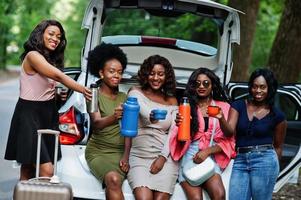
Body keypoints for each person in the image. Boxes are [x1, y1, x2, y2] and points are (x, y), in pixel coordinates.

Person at [4, 19, 91, 180]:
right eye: (51, 34)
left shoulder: (49, 60)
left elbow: (43, 89)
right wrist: (83, 90)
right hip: (29, 116)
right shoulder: (33, 56)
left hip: (47, 115)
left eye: (59, 36)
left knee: (28, 169)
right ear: (40, 35)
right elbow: (58, 76)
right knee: (47, 171)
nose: (55, 39)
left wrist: (57, 97)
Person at [169, 67, 236, 200]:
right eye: (197, 83)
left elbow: (230, 138)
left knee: (220, 195)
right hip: (190, 156)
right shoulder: (186, 107)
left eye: (206, 83)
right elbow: (181, 142)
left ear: (212, 86)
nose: (201, 86)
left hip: (211, 156)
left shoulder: (223, 107)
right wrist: (180, 125)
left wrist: (221, 118)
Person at [222, 68, 287, 200]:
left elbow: (278, 146)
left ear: (270, 88)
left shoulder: (278, 115)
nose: (258, 91)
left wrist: (274, 172)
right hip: (240, 160)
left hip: (265, 160)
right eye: (255, 86)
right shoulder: (238, 106)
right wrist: (220, 117)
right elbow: (229, 132)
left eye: (262, 87)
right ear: (250, 87)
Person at [126, 55, 179, 200]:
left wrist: (162, 157)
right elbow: (142, 110)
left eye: (160, 74)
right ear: (145, 75)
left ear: (166, 76)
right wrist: (152, 116)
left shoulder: (172, 100)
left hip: (165, 156)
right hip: (139, 156)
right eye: (152, 73)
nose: (156, 78)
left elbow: (174, 132)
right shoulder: (135, 92)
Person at [84, 43, 129, 200]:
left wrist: (127, 156)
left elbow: (130, 131)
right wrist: (114, 117)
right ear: (101, 73)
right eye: (111, 71)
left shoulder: (125, 98)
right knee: (113, 180)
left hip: (121, 153)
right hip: (99, 151)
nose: (116, 75)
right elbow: (96, 123)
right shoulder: (93, 94)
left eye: (119, 72)